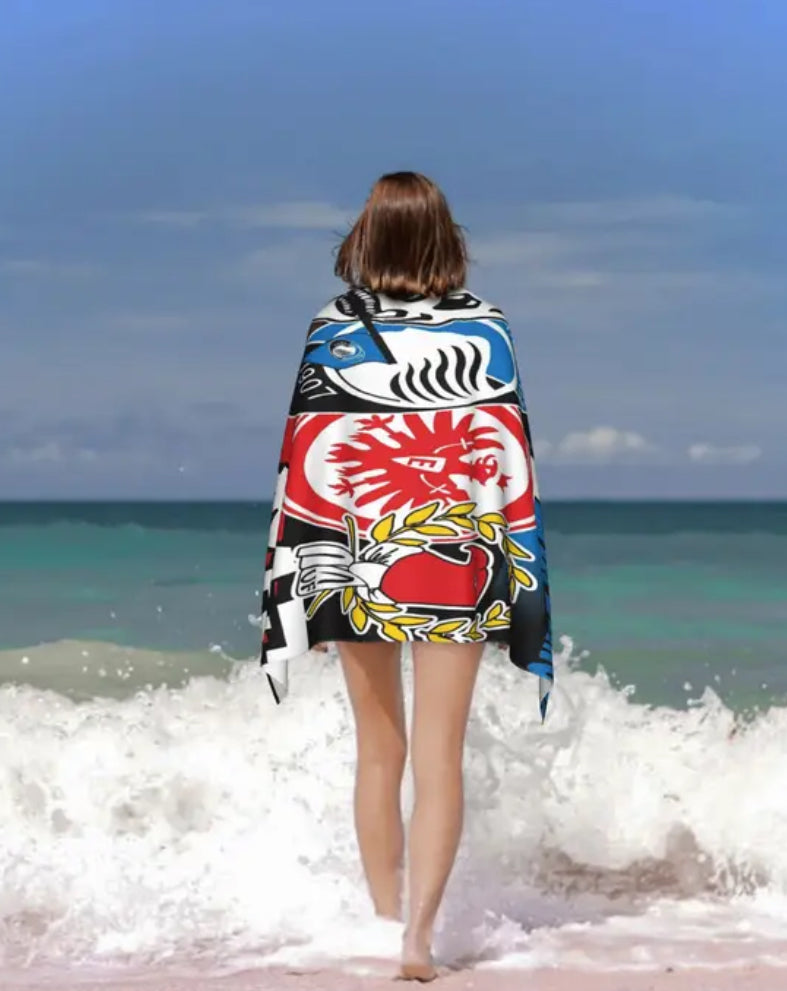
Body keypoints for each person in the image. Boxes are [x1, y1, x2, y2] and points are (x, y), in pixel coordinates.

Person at [259, 171, 553, 981]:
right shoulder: (485, 325)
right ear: (443, 237)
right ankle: (416, 940)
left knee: (377, 751)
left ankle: (383, 925)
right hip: (458, 555)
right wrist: (514, 578)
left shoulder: (332, 326)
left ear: (367, 236)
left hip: (356, 558)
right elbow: (507, 465)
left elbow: (305, 466)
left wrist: (303, 585)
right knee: (438, 755)